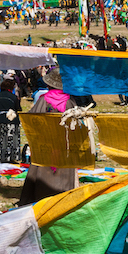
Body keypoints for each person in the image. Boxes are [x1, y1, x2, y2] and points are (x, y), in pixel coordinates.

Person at [17, 68, 77, 206]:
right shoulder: (70, 102)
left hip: (44, 145)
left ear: (49, 84)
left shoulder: (43, 100)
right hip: (63, 146)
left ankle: (38, 198)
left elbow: (31, 121)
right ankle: (62, 200)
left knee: (40, 172)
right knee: (63, 175)